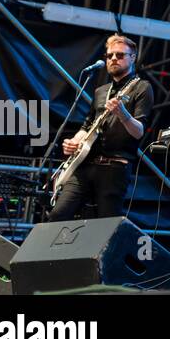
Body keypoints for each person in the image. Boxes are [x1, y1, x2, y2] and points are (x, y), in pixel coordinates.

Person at [49, 34, 153, 221]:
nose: (113, 59)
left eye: (120, 55)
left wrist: (123, 114)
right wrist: (74, 142)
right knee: (58, 214)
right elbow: (88, 124)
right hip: (85, 163)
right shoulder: (101, 91)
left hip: (115, 167)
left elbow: (139, 131)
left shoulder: (141, 87)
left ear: (132, 58)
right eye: (110, 55)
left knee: (106, 222)